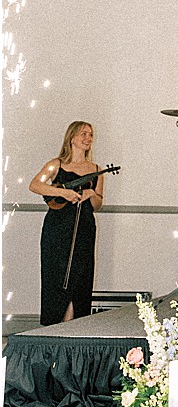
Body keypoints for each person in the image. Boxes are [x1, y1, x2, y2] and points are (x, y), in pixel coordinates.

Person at [30, 120, 106, 325]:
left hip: (84, 229)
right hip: (57, 229)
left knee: (80, 277)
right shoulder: (56, 164)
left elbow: (97, 205)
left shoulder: (97, 170)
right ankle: (55, 326)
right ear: (71, 138)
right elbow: (35, 185)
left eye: (90, 134)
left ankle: (73, 325)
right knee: (56, 276)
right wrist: (64, 193)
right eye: (83, 134)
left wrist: (91, 193)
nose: (88, 138)